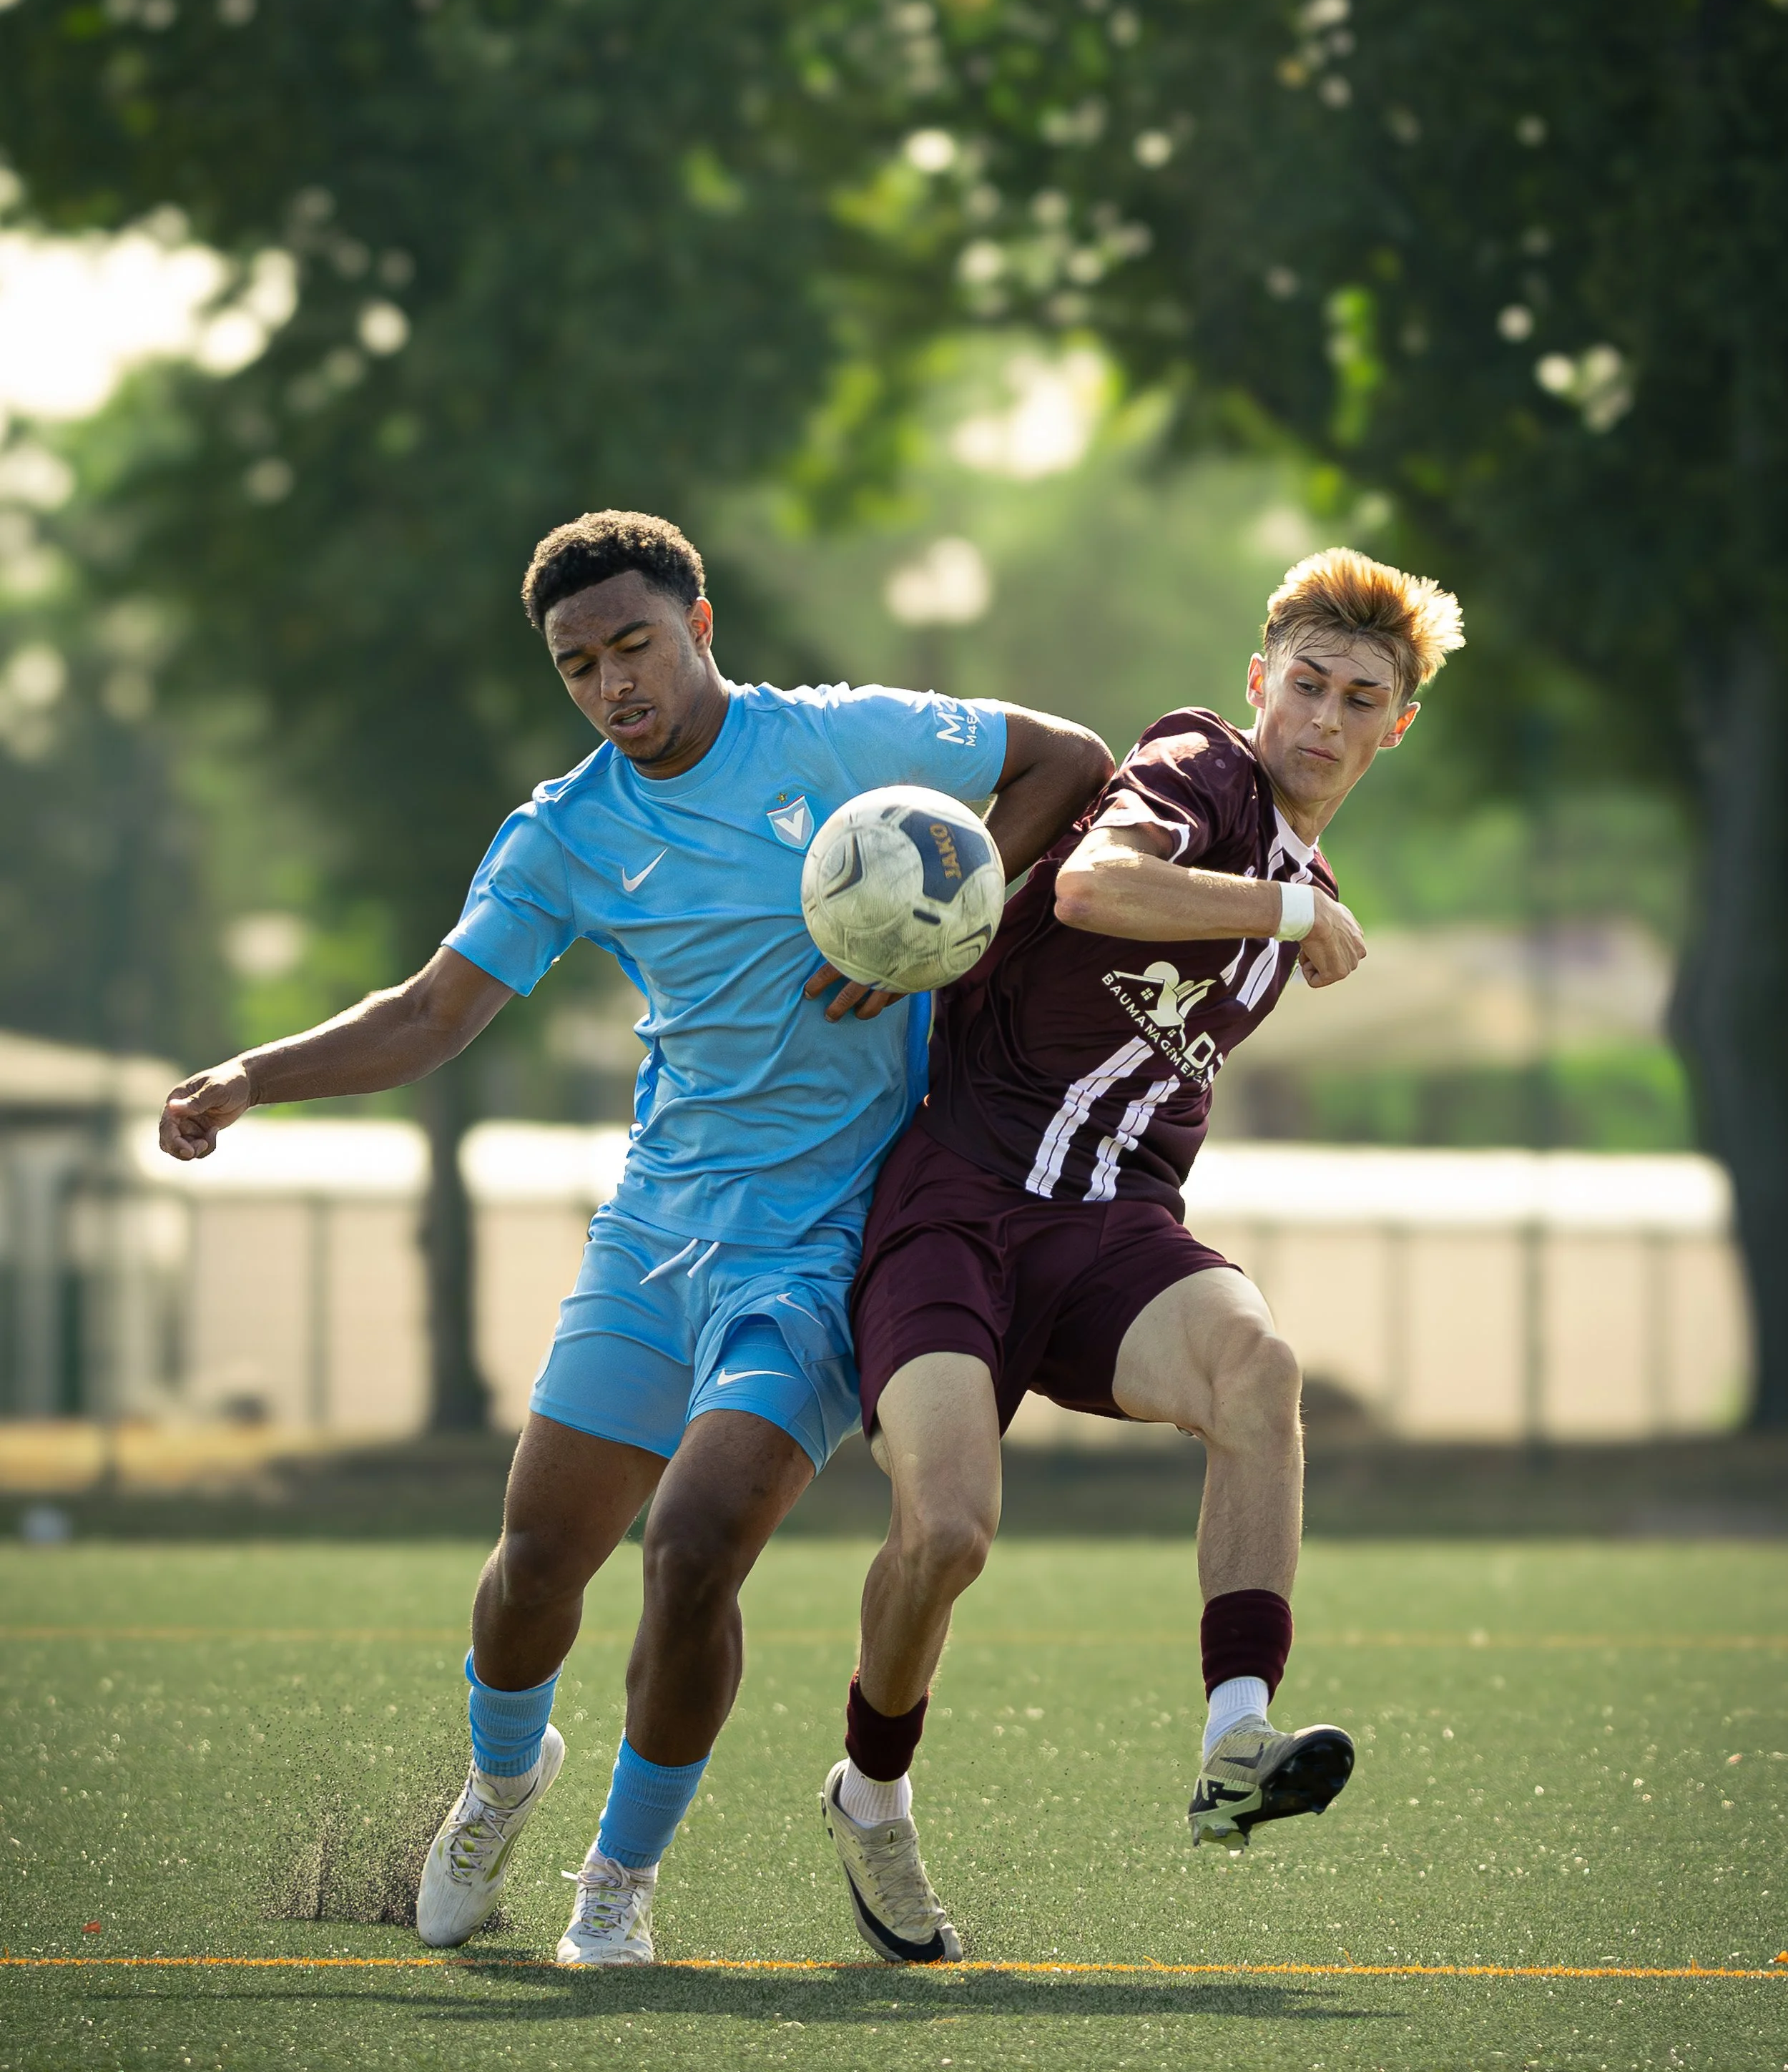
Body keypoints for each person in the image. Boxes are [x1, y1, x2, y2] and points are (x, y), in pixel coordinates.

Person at [159, 510, 1111, 1966]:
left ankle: (618, 1882)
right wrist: (245, 1079)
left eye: (634, 645)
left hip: (822, 1246)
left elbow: (1070, 761)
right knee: (537, 1566)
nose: (612, 683)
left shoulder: (836, 740)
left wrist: (951, 908)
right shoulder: (566, 831)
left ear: (700, 628)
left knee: (689, 1552)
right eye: (578, 664)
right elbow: (430, 1014)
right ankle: (497, 1782)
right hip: (657, 1229)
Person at [821, 549, 1464, 1964]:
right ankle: (868, 1789)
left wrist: (1290, 907)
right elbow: (1097, 892)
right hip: (956, 1203)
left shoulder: (1308, 876)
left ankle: (1237, 1738)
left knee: (1257, 1370)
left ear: (1393, 727)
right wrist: (1283, 911)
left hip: (1108, 1233)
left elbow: (1144, 1059)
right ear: (1257, 681)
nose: (1322, 718)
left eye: (1359, 698)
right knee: (947, 1534)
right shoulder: (1202, 769)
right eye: (1303, 683)